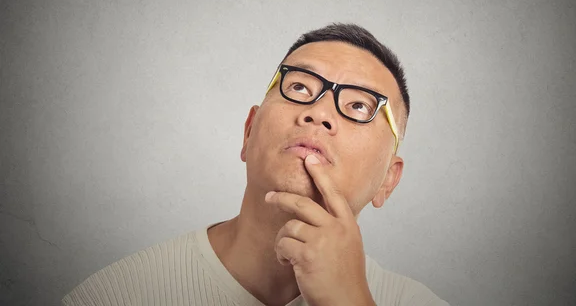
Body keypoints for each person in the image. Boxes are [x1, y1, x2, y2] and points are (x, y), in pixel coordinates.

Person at [62, 23, 449, 306]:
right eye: (299, 87)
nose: (319, 113)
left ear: (388, 180)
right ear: (248, 132)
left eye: (359, 106)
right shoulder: (115, 295)